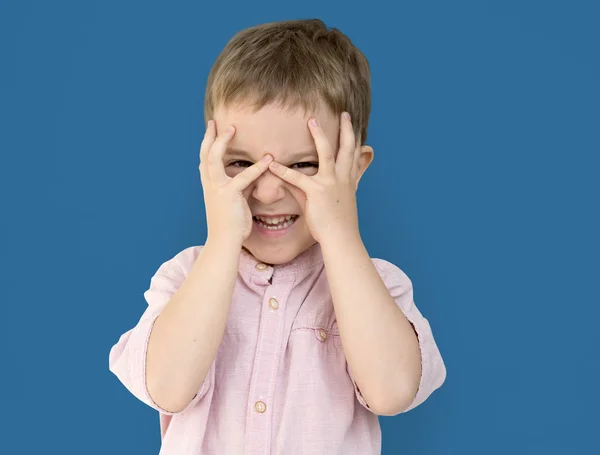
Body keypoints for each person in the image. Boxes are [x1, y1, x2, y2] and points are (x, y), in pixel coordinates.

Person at [109, 18, 446, 455]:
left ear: (354, 169)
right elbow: (167, 388)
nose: (267, 192)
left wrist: (341, 234)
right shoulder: (187, 275)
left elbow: (393, 391)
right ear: (207, 164)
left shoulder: (377, 283)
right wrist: (222, 241)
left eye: (304, 165)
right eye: (239, 164)